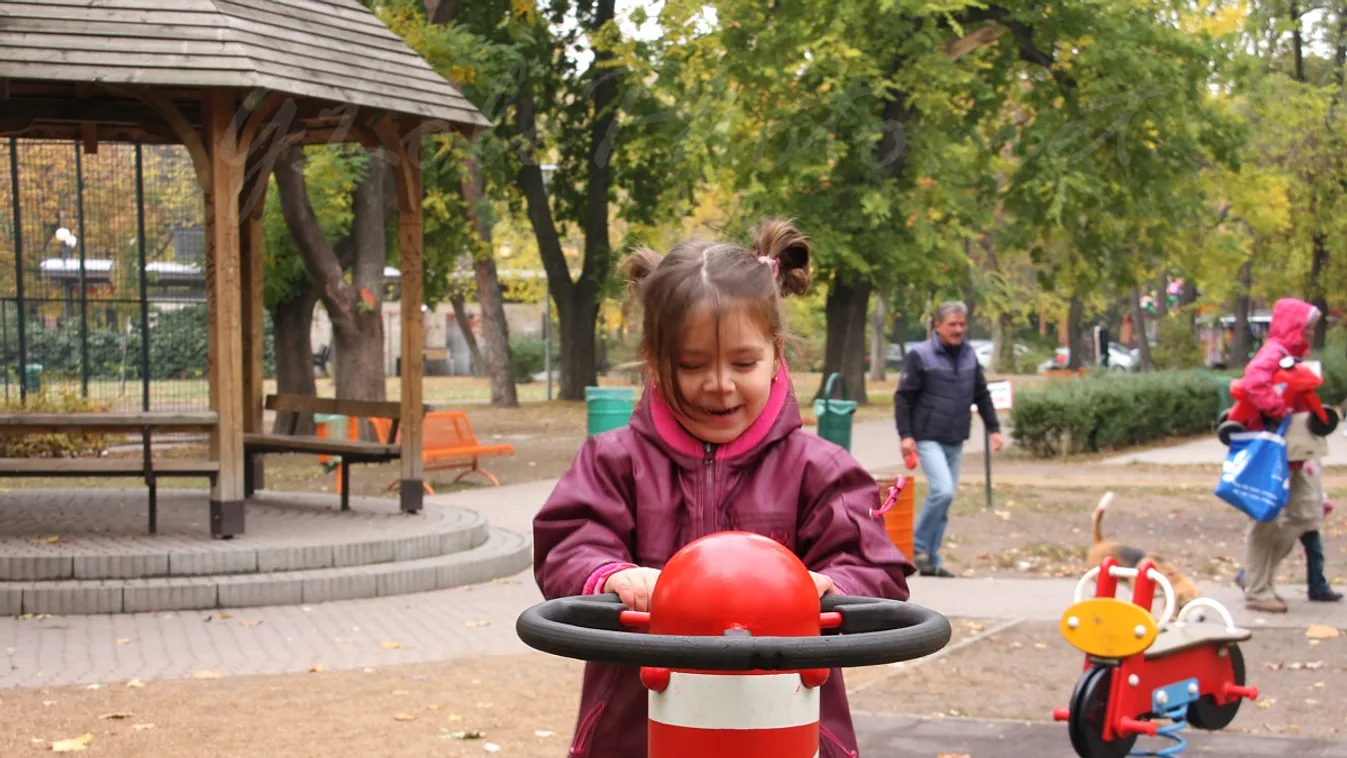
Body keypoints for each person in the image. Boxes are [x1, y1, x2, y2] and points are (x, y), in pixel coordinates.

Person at [532, 218, 914, 758]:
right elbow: (570, 540)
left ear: (777, 353)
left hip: (785, 724)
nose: (719, 383)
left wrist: (829, 585)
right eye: (692, 365)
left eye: (743, 362)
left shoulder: (819, 469)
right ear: (655, 362)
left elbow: (874, 566)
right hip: (641, 726)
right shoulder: (614, 461)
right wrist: (613, 576)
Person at [1235, 297, 1333, 613]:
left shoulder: (1287, 354)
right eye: (1307, 325)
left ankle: (1254, 577)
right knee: (1266, 519)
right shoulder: (1275, 352)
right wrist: (1280, 410)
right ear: (1294, 325)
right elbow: (1253, 382)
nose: (1309, 332)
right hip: (1277, 448)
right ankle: (1257, 588)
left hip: (1294, 451)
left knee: (1306, 514)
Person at [894, 301, 1004, 577]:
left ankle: (930, 559)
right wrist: (906, 436)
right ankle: (917, 547)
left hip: (956, 437)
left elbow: (981, 394)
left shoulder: (969, 355)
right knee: (942, 491)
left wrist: (994, 429)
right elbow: (903, 398)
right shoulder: (921, 355)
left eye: (962, 325)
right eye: (952, 324)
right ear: (938, 326)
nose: (958, 330)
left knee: (947, 498)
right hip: (928, 436)